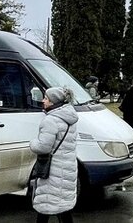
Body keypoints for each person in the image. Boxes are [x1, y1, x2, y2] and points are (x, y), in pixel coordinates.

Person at [29, 87, 79, 223]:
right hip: (67, 167)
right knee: (63, 205)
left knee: (46, 204)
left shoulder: (50, 120)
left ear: (52, 101)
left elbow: (43, 147)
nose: (43, 101)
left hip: (53, 170)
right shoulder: (69, 117)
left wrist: (32, 143)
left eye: (45, 98)